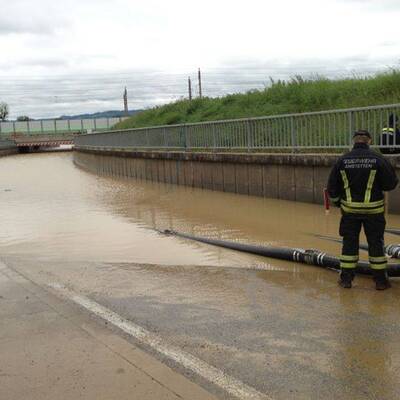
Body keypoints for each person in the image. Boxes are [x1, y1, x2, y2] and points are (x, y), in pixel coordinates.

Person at [327, 129, 398, 290]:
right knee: (376, 245)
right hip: (374, 212)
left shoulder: (342, 160)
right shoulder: (378, 159)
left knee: (349, 245)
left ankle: (346, 280)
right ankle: (380, 282)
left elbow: (332, 188)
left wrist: (338, 203)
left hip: (350, 212)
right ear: (369, 141)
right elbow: (391, 183)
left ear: (354, 141)